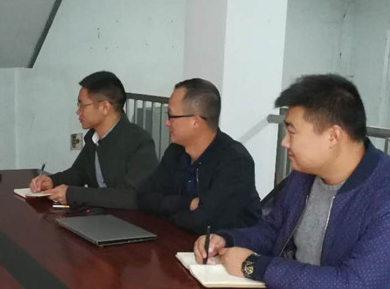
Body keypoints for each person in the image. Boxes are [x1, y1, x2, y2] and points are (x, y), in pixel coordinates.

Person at [194, 74, 390, 289]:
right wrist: (228, 240)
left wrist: (254, 266)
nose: (284, 142)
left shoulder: (383, 192)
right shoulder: (304, 175)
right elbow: (273, 230)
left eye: (292, 132)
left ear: (333, 136)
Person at [138, 78, 261, 234]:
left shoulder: (235, 161)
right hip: (180, 238)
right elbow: (145, 198)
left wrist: (169, 213)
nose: (167, 123)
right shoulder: (175, 151)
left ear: (195, 121)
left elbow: (205, 222)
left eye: (171, 116)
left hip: (228, 245)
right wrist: (187, 203)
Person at [29, 71, 157, 208]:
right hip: (99, 216)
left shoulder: (140, 141)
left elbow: (131, 197)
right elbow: (79, 173)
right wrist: (51, 181)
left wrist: (72, 194)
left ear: (104, 107)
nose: (78, 111)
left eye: (82, 105)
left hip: (128, 219)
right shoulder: (94, 137)